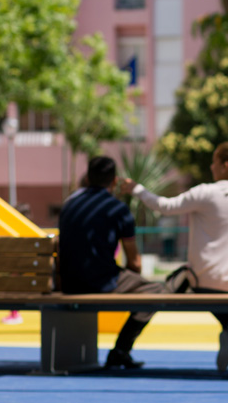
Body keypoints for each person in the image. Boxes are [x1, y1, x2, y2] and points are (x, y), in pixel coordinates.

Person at [124, 142, 228, 371]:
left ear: (225, 166)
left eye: (215, 162)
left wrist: (137, 189)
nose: (211, 166)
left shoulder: (205, 192)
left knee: (183, 282)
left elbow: (164, 206)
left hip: (207, 281)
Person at [58, 156, 170, 370]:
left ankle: (119, 351)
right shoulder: (118, 209)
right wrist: (130, 279)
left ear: (88, 177)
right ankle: (121, 350)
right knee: (155, 290)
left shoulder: (69, 205)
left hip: (68, 283)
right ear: (114, 181)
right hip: (102, 282)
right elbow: (135, 262)